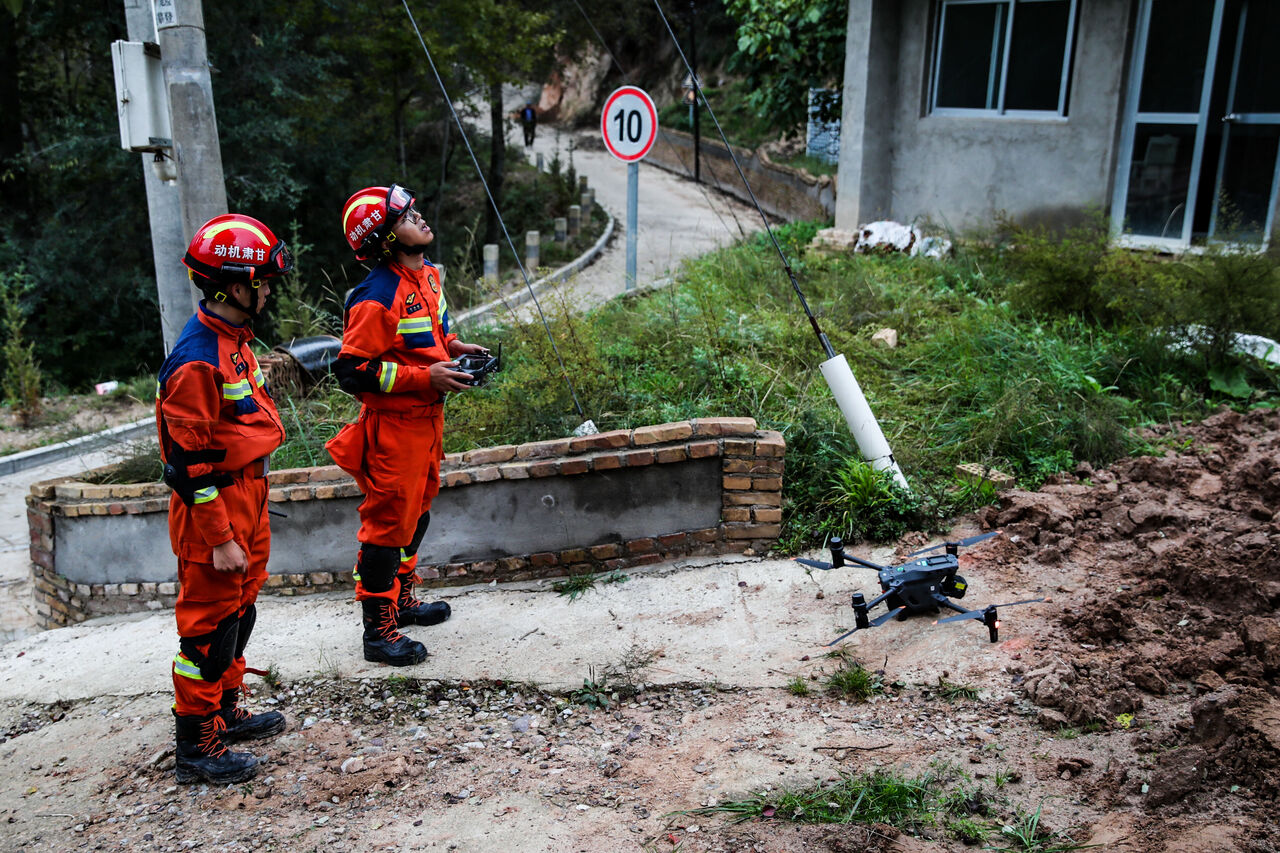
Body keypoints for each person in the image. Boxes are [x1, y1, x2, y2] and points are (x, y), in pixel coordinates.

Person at [156, 214, 294, 784]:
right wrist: (219, 537)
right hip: (215, 509)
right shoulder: (196, 359)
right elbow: (185, 465)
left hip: (249, 497)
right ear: (235, 287)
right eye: (261, 280)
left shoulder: (234, 341)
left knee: (240, 614)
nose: (267, 289)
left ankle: (226, 711)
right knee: (207, 632)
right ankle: (197, 746)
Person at [326, 184, 489, 667]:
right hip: (394, 429)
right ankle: (377, 632)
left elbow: (431, 332)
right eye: (405, 216)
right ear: (384, 239)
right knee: (386, 528)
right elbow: (351, 371)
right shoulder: (376, 296)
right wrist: (426, 375)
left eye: (414, 209)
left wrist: (454, 348)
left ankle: (401, 599)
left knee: (417, 516)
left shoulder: (429, 276)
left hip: (427, 422)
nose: (418, 217)